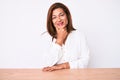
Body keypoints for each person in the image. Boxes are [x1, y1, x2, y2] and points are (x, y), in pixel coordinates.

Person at [40, 2, 89, 72]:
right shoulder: (46, 37)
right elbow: (48, 63)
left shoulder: (79, 35)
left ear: (67, 16)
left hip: (75, 76)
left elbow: (85, 61)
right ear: (51, 21)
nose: (59, 19)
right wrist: (59, 40)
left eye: (61, 15)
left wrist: (64, 66)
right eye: (54, 17)